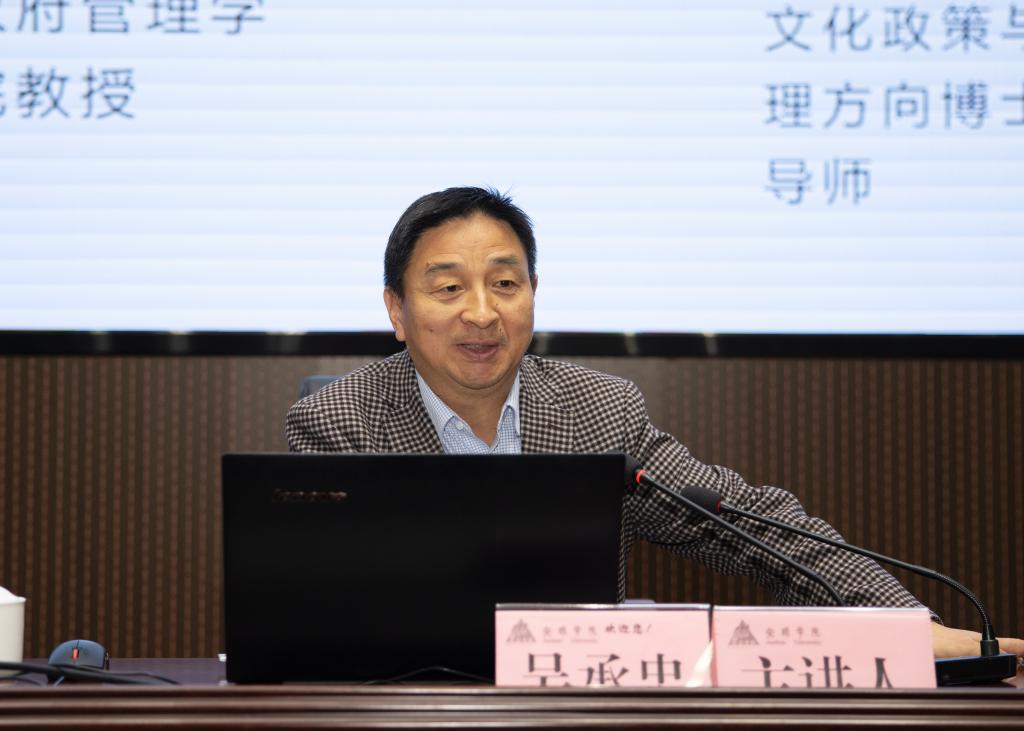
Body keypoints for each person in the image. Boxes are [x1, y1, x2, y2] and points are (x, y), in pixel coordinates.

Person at [286, 186, 1023, 661]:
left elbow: (753, 526)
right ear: (397, 310)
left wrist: (902, 627)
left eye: (505, 283)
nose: (482, 312)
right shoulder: (339, 423)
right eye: (448, 288)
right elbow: (326, 616)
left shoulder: (597, 412)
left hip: (575, 712)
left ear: (534, 293)